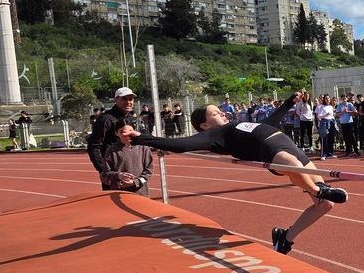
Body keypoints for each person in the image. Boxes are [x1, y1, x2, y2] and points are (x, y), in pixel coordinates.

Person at [119, 93, 348, 256]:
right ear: (204, 125)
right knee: (293, 166)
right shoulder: (214, 135)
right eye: (215, 113)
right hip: (275, 152)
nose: (221, 112)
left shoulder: (239, 125)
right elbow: (182, 144)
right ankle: (318, 189)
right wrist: (142, 139)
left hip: (289, 146)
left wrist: (289, 102)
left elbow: (269, 122)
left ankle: (284, 237)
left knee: (325, 205)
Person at [87, 87, 137, 190]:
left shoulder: (131, 119)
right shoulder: (105, 119)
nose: (128, 102)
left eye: (130, 99)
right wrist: (103, 170)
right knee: (113, 198)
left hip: (131, 168)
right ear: (115, 100)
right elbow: (94, 146)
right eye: (124, 99)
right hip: (113, 170)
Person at [101, 121, 154, 197]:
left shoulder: (144, 148)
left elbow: (149, 172)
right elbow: (105, 174)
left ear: (135, 131)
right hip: (118, 193)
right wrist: (118, 175)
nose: (126, 134)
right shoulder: (111, 150)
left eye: (130, 131)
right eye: (122, 132)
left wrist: (135, 182)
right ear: (116, 133)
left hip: (141, 194)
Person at [315, 93, 336, 160]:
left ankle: (330, 153)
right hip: (324, 122)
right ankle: (323, 154)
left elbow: (332, 115)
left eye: (328, 98)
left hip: (331, 122)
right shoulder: (321, 106)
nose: (327, 100)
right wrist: (325, 114)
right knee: (324, 138)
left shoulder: (330, 107)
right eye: (326, 98)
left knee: (331, 138)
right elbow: (319, 116)